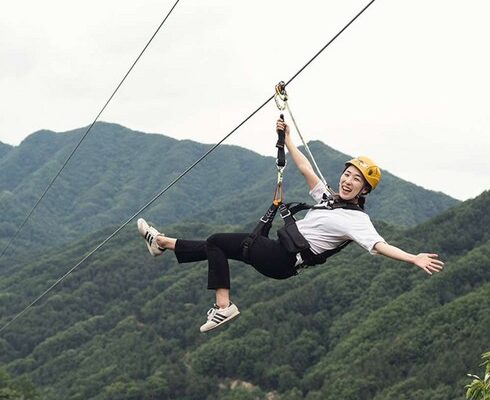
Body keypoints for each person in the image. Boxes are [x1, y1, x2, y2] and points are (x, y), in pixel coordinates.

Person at [137, 119, 444, 332]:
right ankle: (161, 242)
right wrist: (287, 140)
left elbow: (379, 245)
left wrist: (412, 257)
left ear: (364, 190)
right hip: (278, 253)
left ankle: (224, 306)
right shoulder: (328, 198)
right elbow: (304, 167)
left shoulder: (356, 220)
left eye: (357, 180)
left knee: (218, 241)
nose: (349, 181)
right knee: (217, 247)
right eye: (348, 174)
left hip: (283, 259)